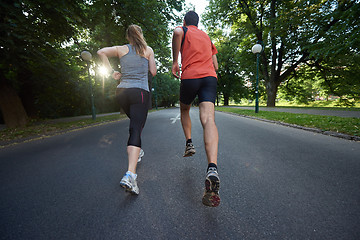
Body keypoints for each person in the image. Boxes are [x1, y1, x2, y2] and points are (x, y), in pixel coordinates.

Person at [97, 24, 157, 195]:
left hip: (121, 92)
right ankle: (130, 174)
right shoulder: (148, 50)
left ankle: (138, 151)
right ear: (141, 35)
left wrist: (111, 72)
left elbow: (101, 52)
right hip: (139, 92)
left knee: (135, 124)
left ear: (128, 37)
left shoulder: (121, 49)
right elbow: (153, 72)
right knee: (136, 128)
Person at [171, 11, 220, 207]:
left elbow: (176, 33)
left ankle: (189, 142)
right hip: (209, 77)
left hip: (190, 76)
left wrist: (176, 62)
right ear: (198, 23)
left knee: (184, 109)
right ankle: (212, 167)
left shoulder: (183, 29)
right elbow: (215, 64)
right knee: (208, 119)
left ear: (185, 21)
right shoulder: (207, 37)